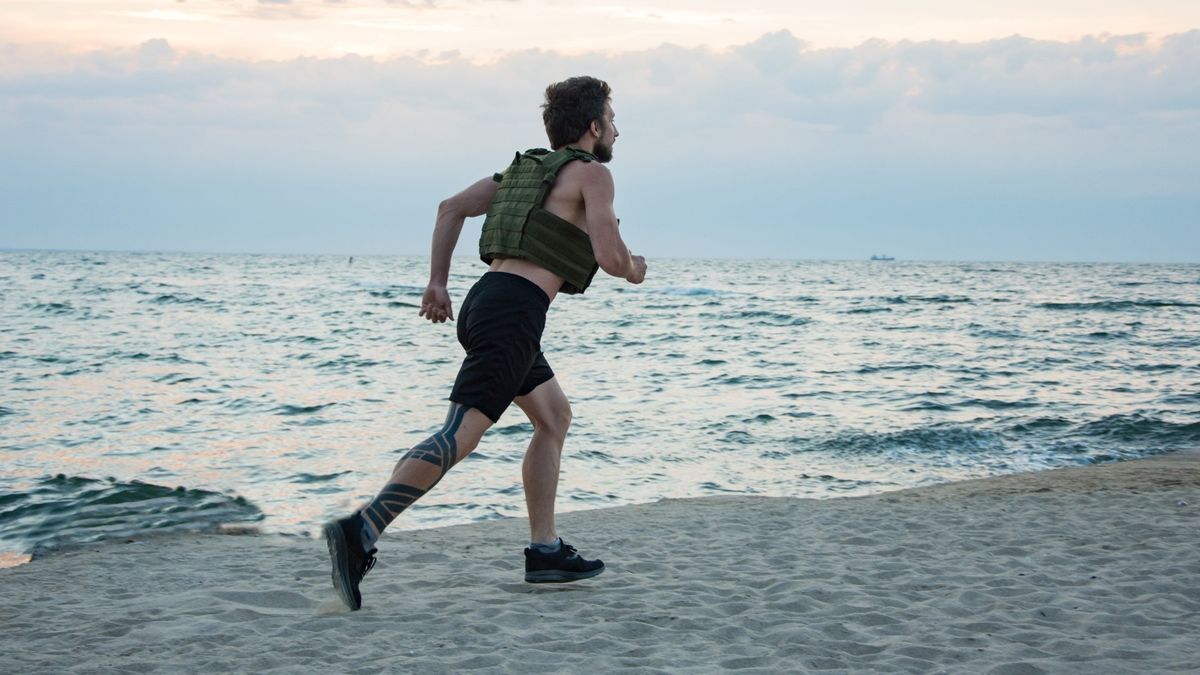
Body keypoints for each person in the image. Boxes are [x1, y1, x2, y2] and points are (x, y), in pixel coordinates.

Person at [323, 76, 647, 611]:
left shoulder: (522, 174)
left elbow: (450, 207)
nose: (616, 129)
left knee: (553, 417)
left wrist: (437, 282)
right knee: (460, 433)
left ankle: (544, 551)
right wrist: (635, 269)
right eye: (612, 119)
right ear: (593, 127)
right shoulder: (594, 174)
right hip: (513, 313)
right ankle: (361, 530)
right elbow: (612, 259)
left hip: (485, 304)